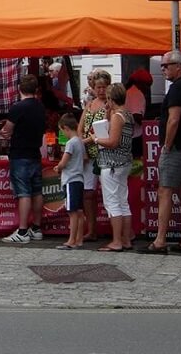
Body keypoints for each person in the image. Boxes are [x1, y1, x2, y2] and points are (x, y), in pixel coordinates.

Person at [141, 50, 181, 254]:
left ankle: (160, 240)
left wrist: (167, 145)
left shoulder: (177, 88)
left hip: (177, 147)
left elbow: (174, 119)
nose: (163, 69)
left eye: (166, 66)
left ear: (178, 66)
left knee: (165, 190)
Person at [0, 74, 46, 244]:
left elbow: (7, 130)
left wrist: (5, 132)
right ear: (36, 89)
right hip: (35, 152)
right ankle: (37, 227)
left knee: (23, 193)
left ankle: (23, 230)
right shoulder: (40, 107)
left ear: (20, 88)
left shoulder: (17, 108)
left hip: (20, 154)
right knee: (37, 191)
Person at [92, 83, 134, 252]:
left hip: (112, 163)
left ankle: (116, 241)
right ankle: (126, 239)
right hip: (124, 162)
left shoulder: (117, 116)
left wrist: (96, 139)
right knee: (123, 202)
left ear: (111, 98)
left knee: (112, 203)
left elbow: (112, 142)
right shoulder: (128, 114)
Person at [77, 69, 111, 242]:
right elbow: (81, 126)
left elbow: (105, 130)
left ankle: (118, 230)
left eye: (104, 87)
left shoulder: (110, 106)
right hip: (89, 155)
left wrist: (86, 141)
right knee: (88, 193)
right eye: (98, 87)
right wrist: (81, 144)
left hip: (104, 153)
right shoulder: (90, 104)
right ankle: (91, 229)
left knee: (108, 193)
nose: (101, 90)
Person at [54, 113, 86, 250]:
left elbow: (64, 162)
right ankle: (79, 239)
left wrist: (58, 168)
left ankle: (71, 240)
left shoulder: (70, 143)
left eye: (62, 131)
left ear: (66, 128)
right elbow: (85, 158)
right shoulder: (80, 141)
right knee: (79, 212)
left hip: (70, 179)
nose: (63, 133)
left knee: (72, 212)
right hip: (79, 178)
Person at [126, 69, 153, 158]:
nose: (148, 88)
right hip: (135, 137)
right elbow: (136, 115)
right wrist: (149, 125)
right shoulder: (136, 94)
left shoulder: (129, 91)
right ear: (140, 83)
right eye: (147, 85)